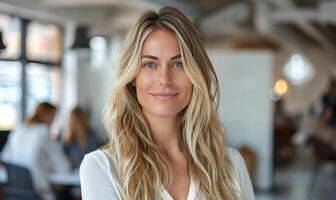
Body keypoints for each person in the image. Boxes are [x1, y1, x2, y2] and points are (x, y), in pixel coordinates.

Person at [80, 7, 255, 200]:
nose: (164, 79)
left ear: (195, 75)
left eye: (179, 64)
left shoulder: (231, 165)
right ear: (132, 77)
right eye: (150, 64)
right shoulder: (102, 168)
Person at [1, 102, 71, 200]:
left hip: (16, 194)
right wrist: (49, 167)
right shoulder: (43, 133)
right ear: (46, 115)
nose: (53, 120)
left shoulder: (19, 130)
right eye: (53, 116)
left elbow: (5, 158)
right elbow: (64, 166)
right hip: (38, 194)